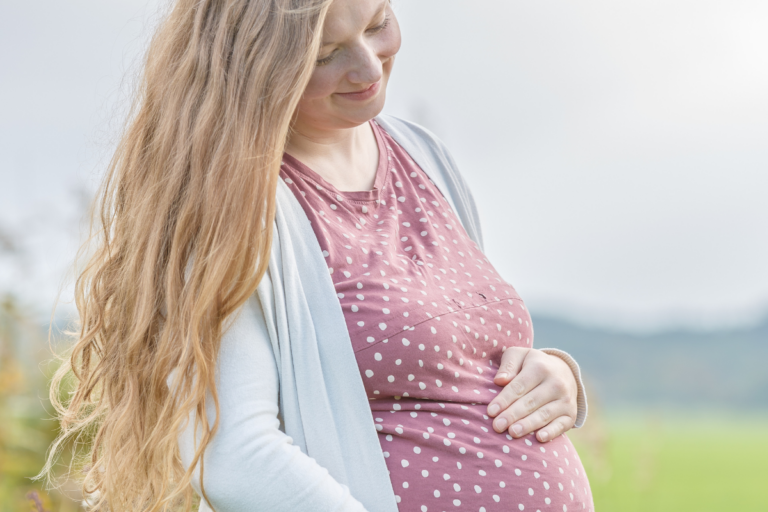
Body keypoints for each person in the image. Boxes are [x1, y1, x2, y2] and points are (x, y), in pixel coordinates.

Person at [42, 0, 593, 511]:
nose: (368, 68)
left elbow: (455, 361)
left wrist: (554, 376)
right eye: (325, 56)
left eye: (377, 23)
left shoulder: (424, 155)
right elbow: (235, 455)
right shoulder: (236, 209)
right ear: (254, 70)